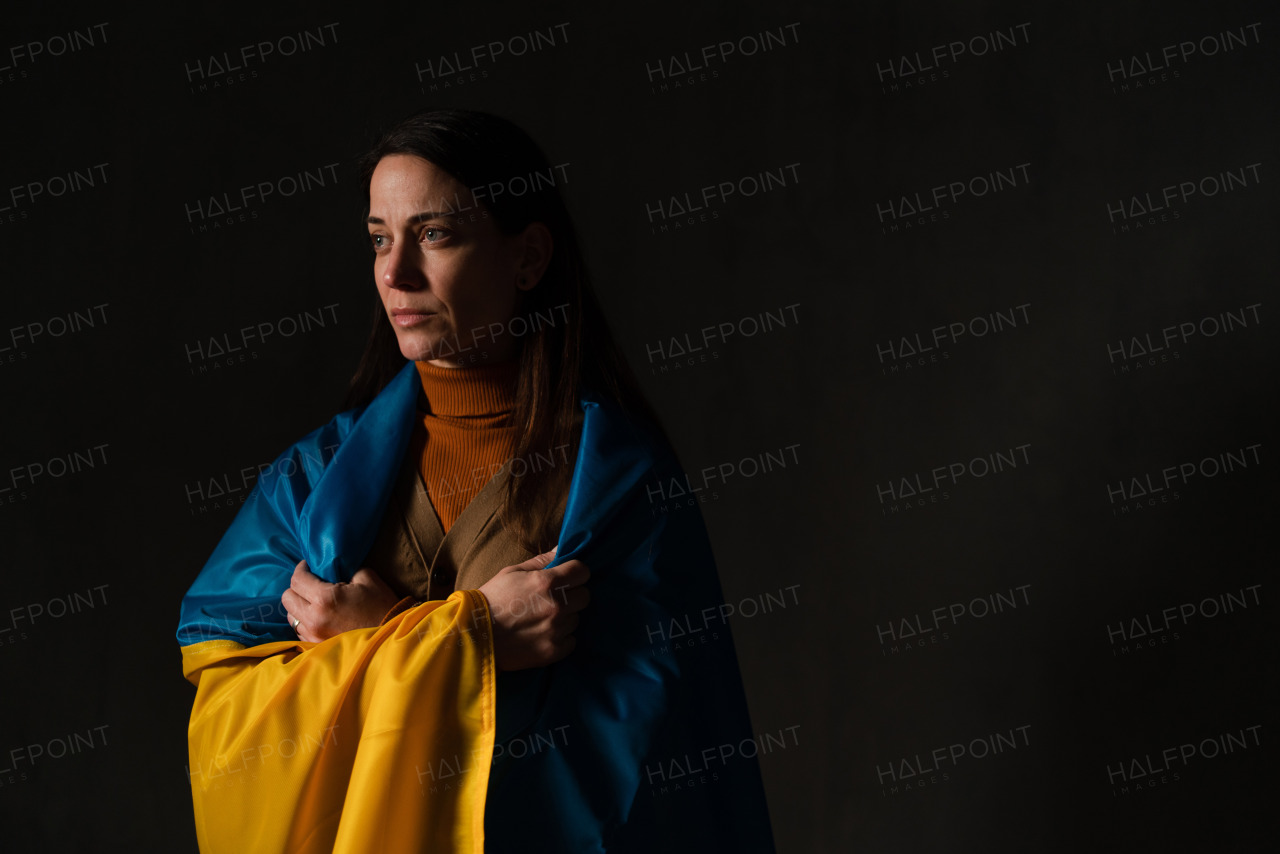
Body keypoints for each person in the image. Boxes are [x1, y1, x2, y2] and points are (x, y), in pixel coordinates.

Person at [176, 108, 774, 853]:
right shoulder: (312, 482)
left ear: (527, 258)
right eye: (378, 239)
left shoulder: (615, 484)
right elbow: (232, 730)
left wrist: (362, 647)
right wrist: (475, 637)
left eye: (434, 235)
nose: (395, 273)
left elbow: (643, 775)